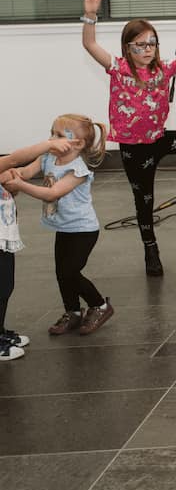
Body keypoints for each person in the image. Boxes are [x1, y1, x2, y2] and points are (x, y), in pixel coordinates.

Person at [80, 0, 176, 277]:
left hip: (158, 141)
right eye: (140, 45)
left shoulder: (164, 69)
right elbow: (91, 46)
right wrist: (91, 16)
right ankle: (150, 248)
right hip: (134, 149)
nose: (147, 50)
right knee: (145, 202)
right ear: (127, 48)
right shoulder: (118, 68)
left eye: (151, 44)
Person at [0, 115, 114, 336]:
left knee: (70, 271)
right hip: (64, 228)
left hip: (83, 230)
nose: (52, 139)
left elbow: (53, 193)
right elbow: (24, 172)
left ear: (78, 143)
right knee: (61, 273)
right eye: (51, 133)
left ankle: (99, 305)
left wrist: (21, 185)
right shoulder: (47, 158)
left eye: (59, 135)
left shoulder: (78, 170)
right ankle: (73, 312)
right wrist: (12, 174)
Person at [0, 135, 74, 360]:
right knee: (1, 287)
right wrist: (47, 146)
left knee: (5, 285)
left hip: (3, 236)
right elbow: (13, 160)